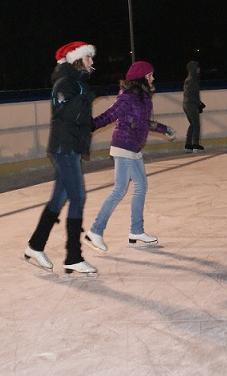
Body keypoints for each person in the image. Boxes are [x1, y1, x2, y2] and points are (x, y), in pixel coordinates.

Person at [84, 61, 176, 252]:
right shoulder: (128, 97)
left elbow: (145, 123)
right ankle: (95, 231)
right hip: (123, 146)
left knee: (141, 186)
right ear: (141, 78)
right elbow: (110, 115)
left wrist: (164, 129)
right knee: (119, 189)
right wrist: (89, 125)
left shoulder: (143, 98)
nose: (153, 78)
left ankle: (136, 230)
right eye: (150, 75)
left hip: (133, 148)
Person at [24, 41, 98, 274]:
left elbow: (81, 119)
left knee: (59, 199)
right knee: (78, 197)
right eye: (88, 58)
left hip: (70, 147)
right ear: (77, 59)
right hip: (64, 148)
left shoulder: (76, 83)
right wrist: (86, 97)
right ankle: (73, 256)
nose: (92, 62)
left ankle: (35, 245)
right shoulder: (65, 82)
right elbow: (67, 114)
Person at [182, 60, 205, 153]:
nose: (199, 69)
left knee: (192, 124)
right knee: (196, 125)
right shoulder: (192, 80)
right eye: (197, 67)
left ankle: (188, 145)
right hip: (191, 105)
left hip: (187, 104)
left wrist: (199, 103)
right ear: (193, 69)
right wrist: (198, 104)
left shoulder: (189, 79)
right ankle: (195, 144)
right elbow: (192, 94)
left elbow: (191, 94)